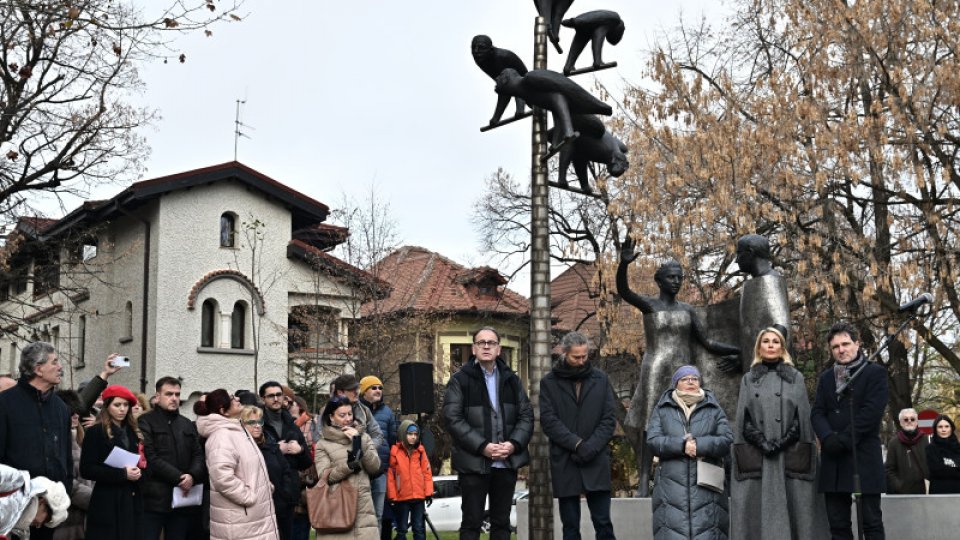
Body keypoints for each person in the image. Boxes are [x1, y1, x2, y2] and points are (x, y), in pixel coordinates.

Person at [730, 327, 827, 540]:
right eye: (766, 341)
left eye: (776, 341)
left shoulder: (796, 377)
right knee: (757, 511)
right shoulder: (749, 379)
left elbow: (801, 417)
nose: (771, 345)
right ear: (759, 347)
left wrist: (782, 441)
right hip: (759, 454)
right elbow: (743, 418)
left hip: (789, 453)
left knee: (796, 510)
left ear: (782, 347)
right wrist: (762, 442)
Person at [442, 326, 534, 540]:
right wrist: (483, 446)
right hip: (473, 463)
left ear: (498, 349)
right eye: (481, 343)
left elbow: (527, 416)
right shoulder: (460, 380)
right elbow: (452, 418)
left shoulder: (512, 380)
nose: (486, 346)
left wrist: (513, 444)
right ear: (473, 349)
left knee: (502, 524)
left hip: (506, 462)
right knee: (472, 523)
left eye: (491, 343)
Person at [811, 322, 888, 540]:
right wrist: (827, 437)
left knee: (871, 523)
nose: (841, 350)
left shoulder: (875, 373)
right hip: (833, 459)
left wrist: (843, 439)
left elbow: (871, 413)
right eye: (835, 346)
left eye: (846, 344)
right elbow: (817, 412)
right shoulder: (826, 378)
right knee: (837, 525)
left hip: (862, 456)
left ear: (857, 344)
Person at [539, 331, 617, 540]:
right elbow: (549, 421)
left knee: (603, 523)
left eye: (585, 356)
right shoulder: (549, 382)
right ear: (564, 354)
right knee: (570, 527)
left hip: (596, 458)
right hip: (566, 460)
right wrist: (576, 444)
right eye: (576, 357)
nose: (582, 361)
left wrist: (591, 446)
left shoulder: (601, 379)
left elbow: (609, 419)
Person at [647, 365, 732, 540]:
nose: (690, 382)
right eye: (685, 379)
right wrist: (681, 445)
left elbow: (726, 439)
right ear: (676, 383)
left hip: (708, 492)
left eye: (694, 378)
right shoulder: (662, 409)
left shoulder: (713, 407)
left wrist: (699, 445)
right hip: (671, 489)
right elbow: (653, 441)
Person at [0, 342, 73, 540]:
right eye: (54, 362)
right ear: (38, 368)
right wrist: (26, 503)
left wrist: (58, 497)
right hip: (12, 513)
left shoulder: (61, 408)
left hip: (50, 510)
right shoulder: (5, 404)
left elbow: (66, 459)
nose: (60, 367)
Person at [195, 389, 279, 540]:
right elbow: (222, 478)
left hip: (251, 519)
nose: (237, 399)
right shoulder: (222, 436)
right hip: (240, 520)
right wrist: (248, 497)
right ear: (223, 411)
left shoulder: (237, 430)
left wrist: (265, 486)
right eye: (232, 398)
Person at [138, 376, 206, 540]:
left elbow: (198, 454)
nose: (174, 398)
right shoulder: (145, 421)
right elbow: (149, 456)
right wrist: (179, 478)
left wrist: (192, 475)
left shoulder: (186, 423)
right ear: (157, 396)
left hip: (183, 501)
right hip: (154, 499)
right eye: (169, 394)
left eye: (177, 394)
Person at [79, 385, 144, 539]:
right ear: (107, 406)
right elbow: (87, 469)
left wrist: (139, 472)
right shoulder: (96, 432)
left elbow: (141, 460)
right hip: (106, 500)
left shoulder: (134, 431)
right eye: (117, 405)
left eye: (126, 405)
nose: (122, 409)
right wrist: (122, 474)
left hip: (131, 499)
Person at [315, 395, 382, 540]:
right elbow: (325, 477)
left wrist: (358, 441)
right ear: (331, 417)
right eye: (342, 415)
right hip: (337, 510)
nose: (348, 418)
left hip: (364, 511)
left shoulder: (363, 437)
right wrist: (349, 466)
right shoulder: (322, 444)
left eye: (350, 414)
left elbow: (374, 467)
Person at [258, 381, 311, 540]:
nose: (275, 399)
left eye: (278, 395)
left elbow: (307, 461)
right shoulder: (258, 422)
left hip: (288, 492)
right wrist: (274, 448)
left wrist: (299, 450)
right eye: (271, 395)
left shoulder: (291, 423)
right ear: (263, 399)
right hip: (267, 490)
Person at [241, 406, 301, 537]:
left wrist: (286, 494)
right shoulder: (241, 448)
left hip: (281, 507)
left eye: (259, 422)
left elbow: (285, 470)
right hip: (255, 510)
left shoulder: (271, 445)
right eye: (251, 422)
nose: (257, 426)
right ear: (242, 424)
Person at [52, 391, 93, 540]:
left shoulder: (81, 439)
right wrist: (95, 498)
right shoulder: (55, 441)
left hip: (86, 517)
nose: (76, 416)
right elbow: (66, 480)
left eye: (77, 412)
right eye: (71, 413)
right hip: (67, 517)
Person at [359, 375, 398, 534]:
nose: (378, 390)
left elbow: (392, 439)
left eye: (380, 388)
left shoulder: (388, 412)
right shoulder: (356, 410)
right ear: (363, 391)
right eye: (373, 387)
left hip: (381, 470)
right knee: (361, 516)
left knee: (379, 515)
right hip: (360, 471)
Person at [386, 421, 433, 540]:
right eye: (410, 434)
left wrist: (428, 493)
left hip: (418, 497)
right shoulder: (395, 452)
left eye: (415, 434)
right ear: (402, 434)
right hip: (402, 498)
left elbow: (426, 472)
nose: (413, 437)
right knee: (402, 530)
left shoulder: (421, 451)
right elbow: (391, 476)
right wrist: (392, 496)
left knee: (418, 529)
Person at [288, 395, 320, 540]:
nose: (287, 406)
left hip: (307, 478)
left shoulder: (312, 423)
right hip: (292, 480)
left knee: (301, 523)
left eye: (291, 403)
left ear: (299, 405)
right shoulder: (287, 423)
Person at [332, 374, 386, 451]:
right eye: (351, 389)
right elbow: (321, 439)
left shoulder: (364, 409)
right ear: (340, 392)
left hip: (362, 461)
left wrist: (366, 450)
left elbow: (378, 435)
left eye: (357, 388)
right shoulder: (328, 411)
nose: (356, 392)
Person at [884, 408, 929, 494]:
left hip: (920, 490)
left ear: (916, 422)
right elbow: (889, 469)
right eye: (905, 419)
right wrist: (899, 485)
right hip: (900, 493)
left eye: (912, 419)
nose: (909, 421)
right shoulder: (894, 442)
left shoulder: (924, 439)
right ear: (901, 423)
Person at [926, 414, 960, 494]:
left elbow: (943, 470)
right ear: (935, 429)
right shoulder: (930, 448)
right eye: (940, 427)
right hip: (939, 492)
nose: (943, 429)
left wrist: (946, 467)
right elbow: (936, 471)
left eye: (946, 426)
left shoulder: (958, 448)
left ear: (951, 428)